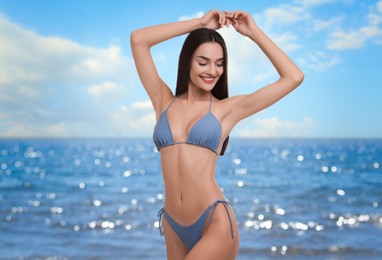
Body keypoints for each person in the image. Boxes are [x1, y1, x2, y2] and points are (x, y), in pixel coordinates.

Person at [130, 9, 304, 260]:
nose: (212, 70)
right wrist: (199, 23)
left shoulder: (226, 110)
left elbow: (293, 76)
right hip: (172, 224)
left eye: (219, 63)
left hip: (214, 221)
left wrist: (253, 32)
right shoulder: (163, 101)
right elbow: (138, 40)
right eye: (203, 62)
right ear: (187, 61)